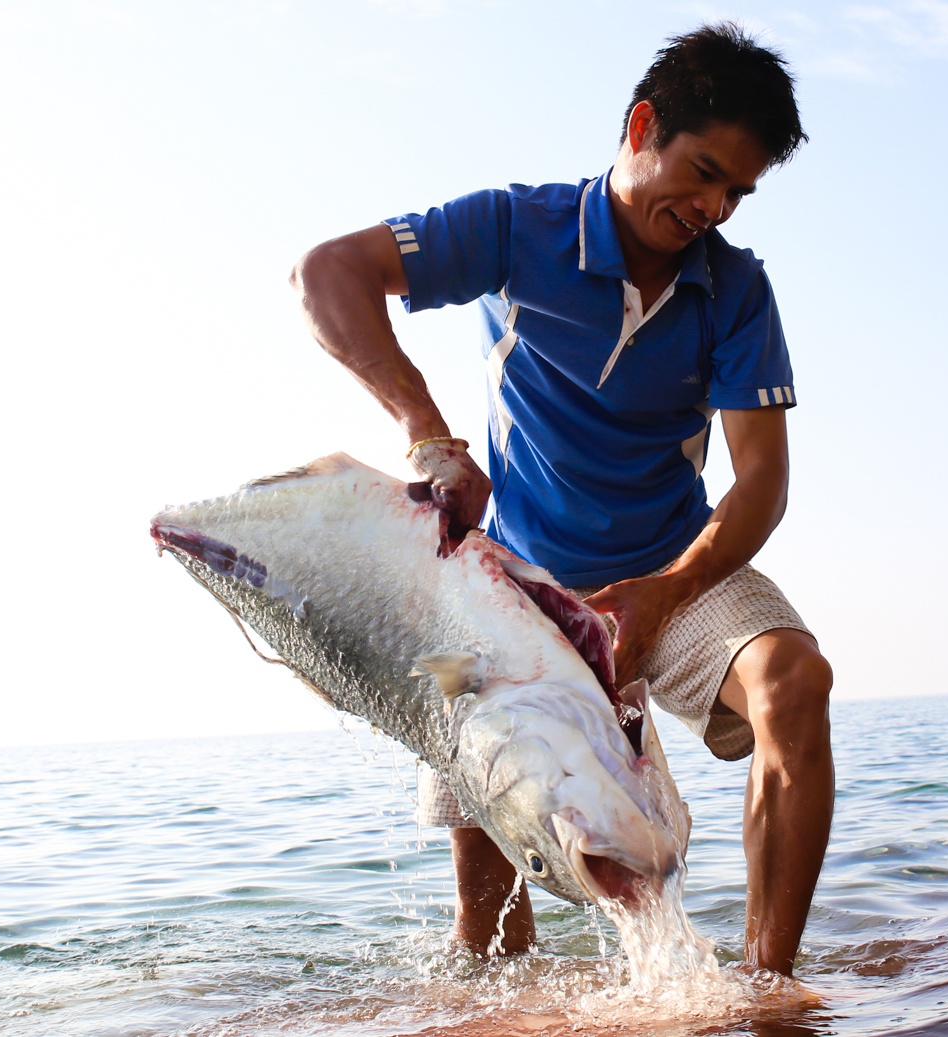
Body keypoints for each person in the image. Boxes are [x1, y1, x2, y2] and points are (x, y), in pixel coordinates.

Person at [289, 23, 832, 976]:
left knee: (795, 681)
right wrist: (429, 436)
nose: (711, 207)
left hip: (676, 573)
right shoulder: (516, 226)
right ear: (641, 123)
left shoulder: (737, 291)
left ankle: (767, 985)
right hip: (511, 589)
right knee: (482, 915)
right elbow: (328, 272)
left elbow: (762, 481)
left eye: (736, 194)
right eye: (701, 172)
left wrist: (669, 587)